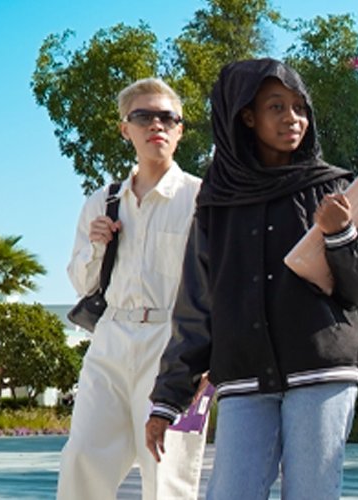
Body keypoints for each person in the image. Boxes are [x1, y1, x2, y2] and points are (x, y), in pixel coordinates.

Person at [145, 58, 358, 499]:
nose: (292, 118)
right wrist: (168, 399)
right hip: (244, 374)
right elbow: (197, 304)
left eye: (299, 107)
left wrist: (341, 235)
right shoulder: (216, 203)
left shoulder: (333, 189)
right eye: (276, 107)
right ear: (246, 116)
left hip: (322, 369)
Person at [57, 77, 208, 500]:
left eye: (167, 117)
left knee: (167, 470)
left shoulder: (202, 198)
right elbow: (82, 283)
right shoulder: (102, 201)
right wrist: (97, 245)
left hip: (174, 344)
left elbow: (218, 285)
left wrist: (209, 359)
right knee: (83, 459)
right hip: (110, 340)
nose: (156, 125)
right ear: (125, 128)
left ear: (180, 129)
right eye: (143, 116)